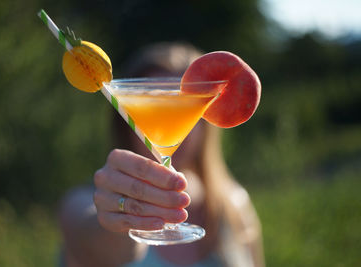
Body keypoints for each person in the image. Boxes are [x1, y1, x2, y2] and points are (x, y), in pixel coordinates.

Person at [58, 42, 265, 267]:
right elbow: (98, 247)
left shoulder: (235, 204)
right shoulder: (81, 203)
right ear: (123, 123)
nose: (166, 121)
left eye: (183, 98)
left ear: (205, 124)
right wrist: (119, 223)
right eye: (152, 98)